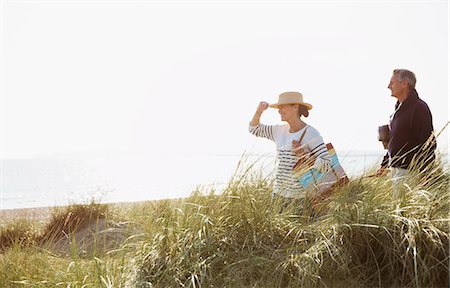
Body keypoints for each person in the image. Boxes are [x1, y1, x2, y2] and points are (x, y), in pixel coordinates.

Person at [249, 91, 332, 206]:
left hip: (300, 200)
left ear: (295, 107)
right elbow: (254, 129)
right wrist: (259, 112)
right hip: (278, 196)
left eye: (282, 106)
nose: (279, 110)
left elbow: (327, 165)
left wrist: (304, 155)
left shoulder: (311, 133)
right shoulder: (278, 131)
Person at [377, 69, 436, 190]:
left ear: (404, 84)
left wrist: (425, 173)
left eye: (392, 83)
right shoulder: (398, 110)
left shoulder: (419, 108)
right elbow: (395, 142)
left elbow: (428, 143)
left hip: (410, 172)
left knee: (405, 209)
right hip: (397, 170)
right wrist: (384, 165)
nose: (388, 86)